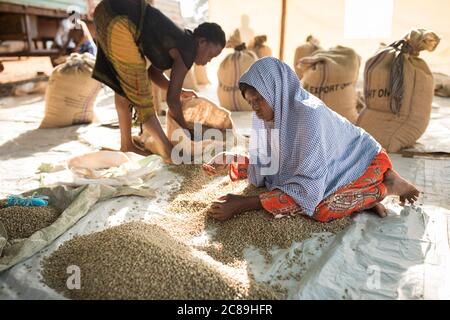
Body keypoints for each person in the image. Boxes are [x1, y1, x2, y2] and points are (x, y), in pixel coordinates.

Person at [203, 57, 420, 222]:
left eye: (259, 99)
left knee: (319, 209)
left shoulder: (308, 115)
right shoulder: (268, 117)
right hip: (330, 166)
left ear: (275, 91)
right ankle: (364, 199)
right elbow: (269, 167)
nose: (256, 108)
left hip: (363, 161)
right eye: (251, 103)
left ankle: (385, 185)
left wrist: (242, 204)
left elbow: (308, 190)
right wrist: (231, 159)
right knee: (283, 188)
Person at [92, 0, 225, 161]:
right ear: (201, 42)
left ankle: (127, 144)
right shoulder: (188, 50)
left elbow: (153, 74)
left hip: (107, 11)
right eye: (211, 54)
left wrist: (180, 92)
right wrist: (186, 134)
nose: (209, 60)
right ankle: (169, 152)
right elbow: (172, 101)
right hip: (119, 18)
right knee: (140, 93)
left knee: (124, 88)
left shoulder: (182, 41)